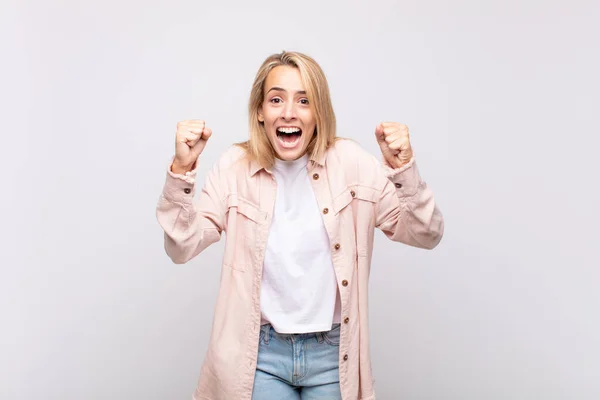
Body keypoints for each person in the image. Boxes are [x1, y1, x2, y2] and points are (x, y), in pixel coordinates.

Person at [156, 51, 444, 400]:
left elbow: (426, 234)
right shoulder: (234, 167)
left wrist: (405, 169)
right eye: (276, 99)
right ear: (260, 111)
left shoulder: (352, 163)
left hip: (334, 355)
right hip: (259, 355)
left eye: (304, 100)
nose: (289, 112)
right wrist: (180, 170)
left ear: (318, 112)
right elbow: (182, 246)